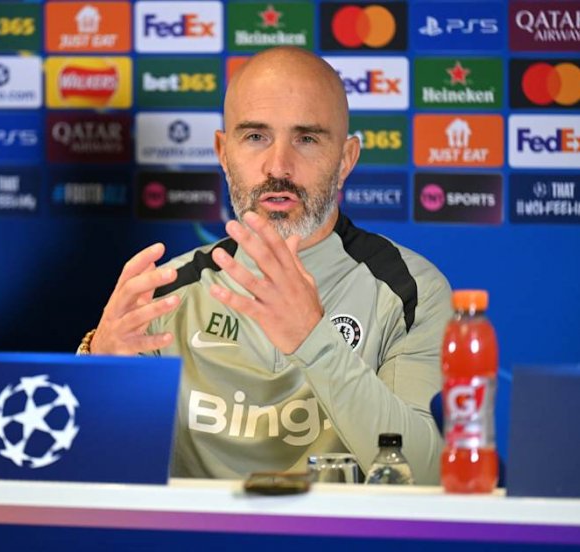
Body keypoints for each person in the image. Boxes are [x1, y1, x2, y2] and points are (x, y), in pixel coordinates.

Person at [78, 47, 452, 484]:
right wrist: (96, 365)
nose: (278, 166)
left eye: (307, 139)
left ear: (346, 159)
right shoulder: (162, 293)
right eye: (256, 136)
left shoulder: (410, 291)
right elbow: (87, 475)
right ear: (223, 152)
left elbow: (426, 475)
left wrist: (314, 342)